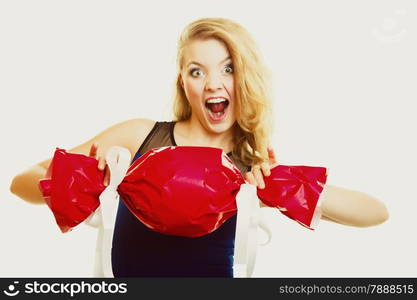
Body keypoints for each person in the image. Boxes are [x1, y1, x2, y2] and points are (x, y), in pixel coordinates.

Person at [9, 17, 389, 277]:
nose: (212, 83)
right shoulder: (139, 136)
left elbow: (375, 213)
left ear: (245, 78)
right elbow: (22, 182)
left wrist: (284, 187)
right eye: (197, 70)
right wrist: (80, 181)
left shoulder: (250, 168)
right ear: (183, 82)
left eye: (227, 68)